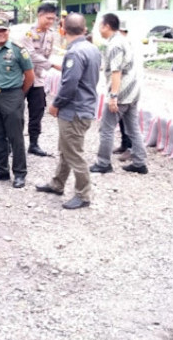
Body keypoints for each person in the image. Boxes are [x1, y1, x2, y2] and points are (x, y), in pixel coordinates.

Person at [35, 12, 101, 209]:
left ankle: (83, 194)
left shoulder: (74, 53)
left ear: (62, 30)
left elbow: (70, 84)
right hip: (84, 107)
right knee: (65, 149)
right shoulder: (92, 49)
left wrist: (56, 104)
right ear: (84, 29)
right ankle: (58, 183)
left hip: (74, 110)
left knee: (73, 153)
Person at [90, 12, 148, 175]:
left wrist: (113, 96)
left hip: (121, 92)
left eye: (100, 25)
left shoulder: (114, 44)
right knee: (133, 128)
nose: (99, 29)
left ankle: (103, 163)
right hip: (133, 91)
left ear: (107, 26)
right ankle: (140, 162)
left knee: (106, 128)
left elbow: (116, 72)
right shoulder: (123, 40)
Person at [0, 17, 35, 189]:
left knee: (15, 136)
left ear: (8, 32)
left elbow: (29, 76)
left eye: (3, 30)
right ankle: (1, 169)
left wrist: (20, 94)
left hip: (12, 95)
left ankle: (20, 173)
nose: (0, 34)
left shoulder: (18, 50)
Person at [20, 1, 62, 157]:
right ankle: (13, 143)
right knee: (16, 112)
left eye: (53, 19)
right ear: (40, 15)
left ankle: (34, 144)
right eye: (48, 18)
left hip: (38, 79)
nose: (50, 22)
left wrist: (48, 66)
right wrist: (52, 65)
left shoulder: (51, 34)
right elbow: (30, 54)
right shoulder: (28, 33)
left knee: (37, 111)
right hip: (23, 78)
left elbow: (46, 53)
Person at [113, 19, 132, 160]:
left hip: (128, 87)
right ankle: (125, 144)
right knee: (122, 119)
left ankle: (131, 148)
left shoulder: (126, 45)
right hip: (123, 87)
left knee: (129, 120)